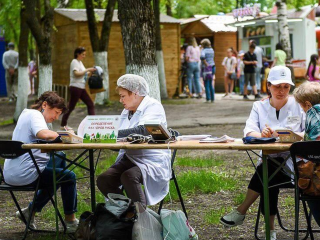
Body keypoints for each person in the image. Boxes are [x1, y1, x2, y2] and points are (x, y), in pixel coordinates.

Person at [220, 66, 305, 240]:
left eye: (285, 87)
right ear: (268, 86)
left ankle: (246, 213)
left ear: (290, 87)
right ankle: (269, 230)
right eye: (276, 86)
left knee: (267, 172)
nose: (281, 91)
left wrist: (293, 136)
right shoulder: (259, 106)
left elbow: (310, 131)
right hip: (269, 161)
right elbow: (249, 132)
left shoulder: (299, 105)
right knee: (268, 172)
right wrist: (262, 135)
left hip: (296, 167)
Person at [3, 91, 79, 232]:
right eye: (56, 112)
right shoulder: (35, 115)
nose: (56, 117)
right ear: (44, 105)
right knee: (68, 177)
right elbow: (43, 134)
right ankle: (71, 221)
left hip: (11, 173)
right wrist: (66, 135)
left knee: (60, 161)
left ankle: (29, 212)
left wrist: (58, 135)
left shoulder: (26, 114)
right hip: (24, 173)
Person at [97, 74, 171, 208]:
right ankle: (127, 212)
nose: (120, 100)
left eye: (123, 96)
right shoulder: (126, 112)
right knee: (104, 179)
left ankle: (142, 219)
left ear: (135, 93)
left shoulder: (153, 106)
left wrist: (109, 135)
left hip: (153, 159)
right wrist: (104, 140)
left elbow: (143, 130)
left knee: (128, 176)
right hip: (131, 158)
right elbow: (120, 141)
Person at [293, 81, 320, 227]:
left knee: (306, 178)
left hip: (317, 182)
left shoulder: (313, 114)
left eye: (302, 106)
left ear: (308, 104)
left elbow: (311, 149)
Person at [61, 47, 96, 129]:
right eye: (83, 54)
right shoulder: (74, 62)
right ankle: (63, 124)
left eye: (85, 54)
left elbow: (83, 75)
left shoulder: (80, 63)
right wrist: (87, 69)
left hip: (81, 87)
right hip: (76, 87)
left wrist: (90, 73)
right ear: (78, 54)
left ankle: (93, 124)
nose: (84, 56)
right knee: (71, 106)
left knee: (90, 104)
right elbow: (76, 74)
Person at [200, 38, 215, 102]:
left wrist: (206, 63)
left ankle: (208, 98)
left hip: (206, 68)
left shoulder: (203, 50)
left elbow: (202, 57)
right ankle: (212, 98)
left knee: (206, 83)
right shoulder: (212, 50)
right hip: (213, 67)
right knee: (210, 83)